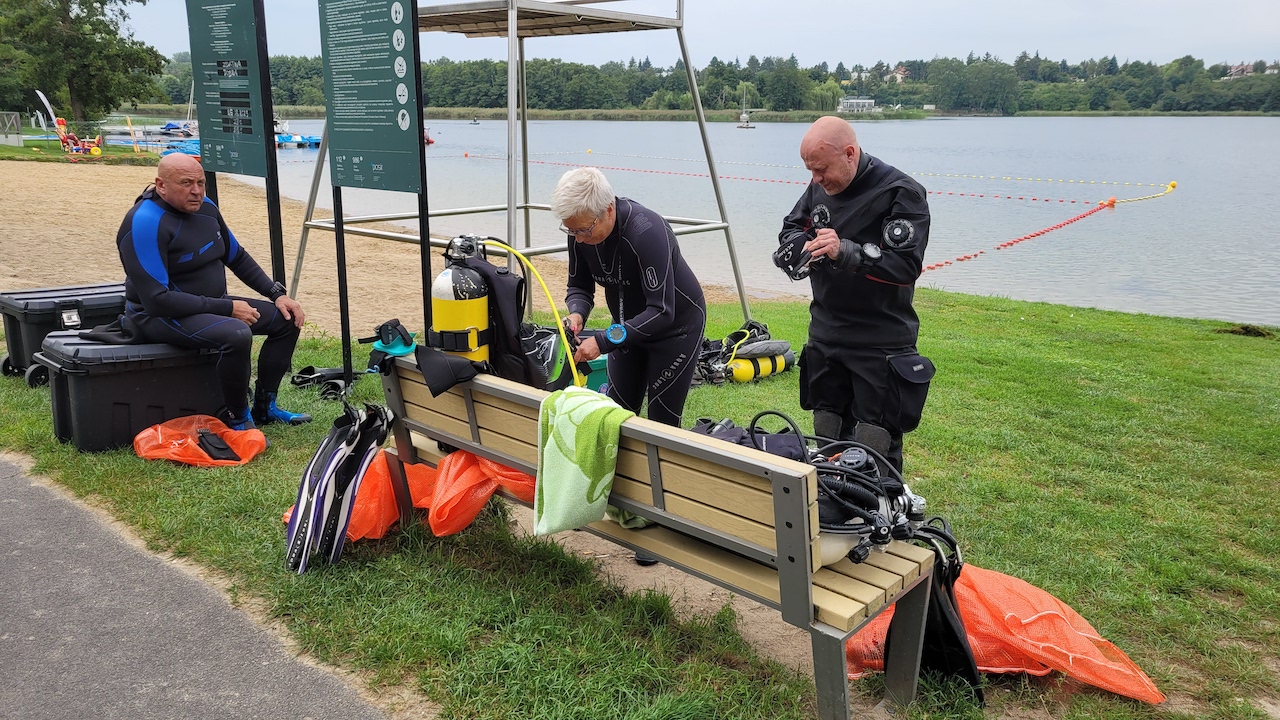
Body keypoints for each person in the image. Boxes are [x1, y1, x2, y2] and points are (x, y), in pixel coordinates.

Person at [776, 116, 934, 473]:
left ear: (850, 153)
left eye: (821, 169)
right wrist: (799, 246)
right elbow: (791, 227)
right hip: (826, 333)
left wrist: (845, 251)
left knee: (873, 443)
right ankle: (832, 510)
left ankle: (883, 518)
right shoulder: (821, 185)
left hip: (879, 342)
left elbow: (906, 266)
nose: (816, 179)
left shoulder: (901, 192)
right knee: (826, 431)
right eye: (810, 170)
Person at [116, 153, 311, 431]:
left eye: (200, 183)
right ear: (161, 185)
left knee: (286, 319)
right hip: (157, 316)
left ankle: (266, 408)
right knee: (235, 333)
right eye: (185, 183)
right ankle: (239, 418)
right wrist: (229, 309)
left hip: (209, 305)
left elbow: (236, 256)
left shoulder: (206, 209)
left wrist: (277, 294)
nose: (196, 191)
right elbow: (157, 301)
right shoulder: (144, 222)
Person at [555, 167, 707, 429]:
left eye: (584, 230)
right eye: (572, 231)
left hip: (675, 329)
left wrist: (602, 341)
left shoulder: (647, 231)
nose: (579, 239)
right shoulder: (580, 229)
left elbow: (661, 311)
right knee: (616, 417)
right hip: (625, 328)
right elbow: (579, 285)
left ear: (609, 210)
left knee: (662, 424)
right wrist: (576, 314)